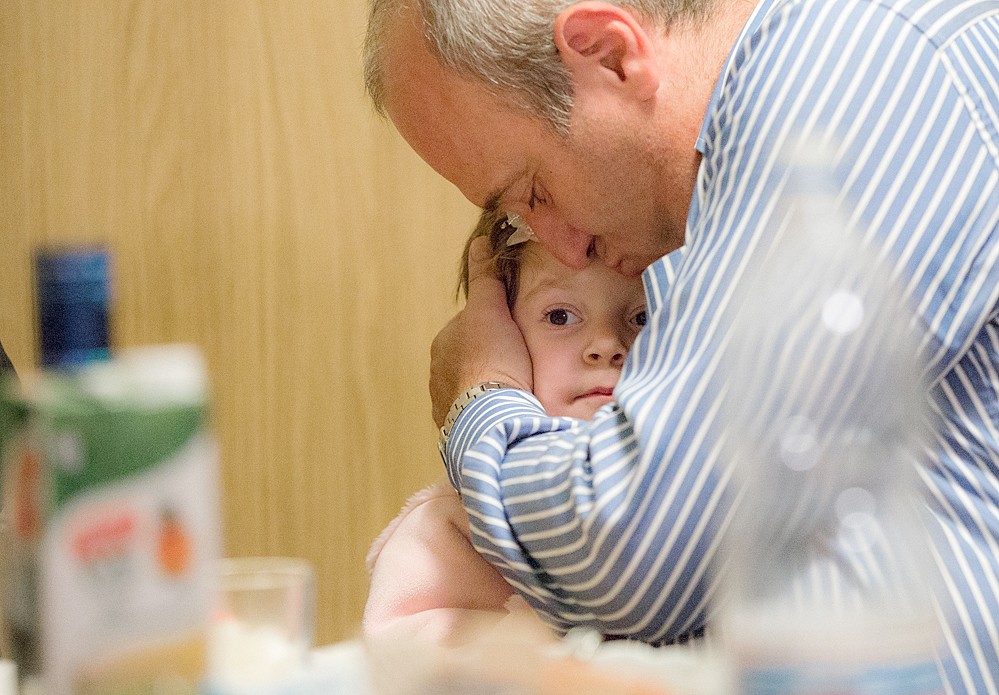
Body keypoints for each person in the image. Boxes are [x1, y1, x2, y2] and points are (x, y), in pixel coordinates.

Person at [362, 0, 999, 692]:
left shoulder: (855, 78)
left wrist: (482, 390)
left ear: (609, 54)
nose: (565, 247)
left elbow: (636, 545)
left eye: (534, 192)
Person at [363, 208, 647, 641]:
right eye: (560, 316)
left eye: (643, 318)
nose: (608, 345)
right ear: (497, 339)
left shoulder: (700, 485)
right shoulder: (448, 531)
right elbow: (403, 654)